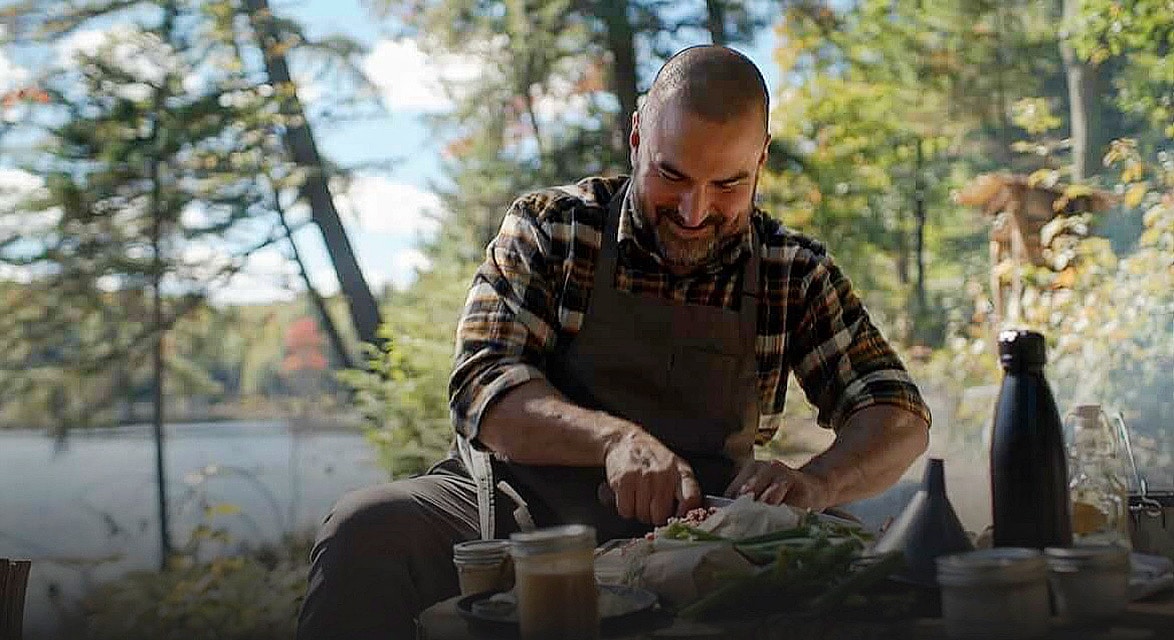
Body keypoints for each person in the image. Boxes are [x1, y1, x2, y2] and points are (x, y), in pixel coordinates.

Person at [296, 44, 930, 640]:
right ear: (636, 138)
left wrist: (817, 484)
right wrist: (616, 441)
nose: (692, 210)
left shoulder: (794, 271)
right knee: (367, 530)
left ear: (760, 159)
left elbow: (896, 413)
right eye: (672, 175)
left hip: (708, 524)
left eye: (727, 185)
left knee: (878, 568)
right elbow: (481, 388)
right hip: (523, 508)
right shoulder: (553, 229)